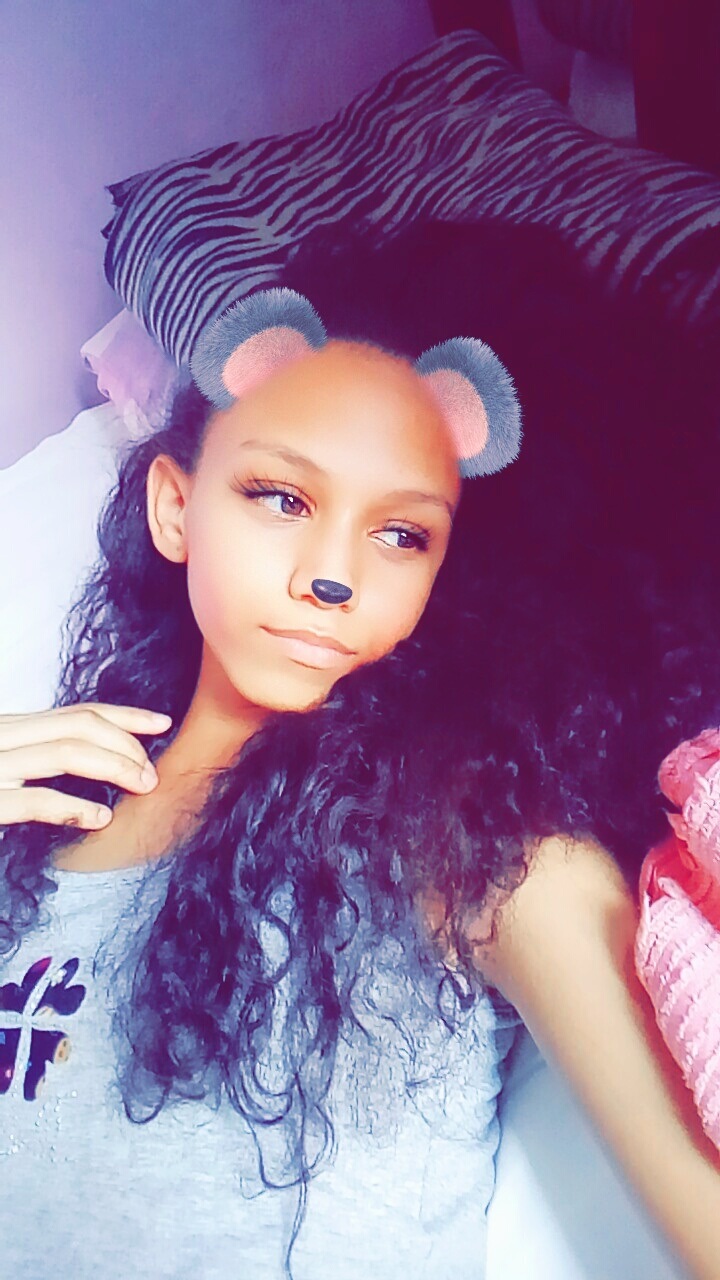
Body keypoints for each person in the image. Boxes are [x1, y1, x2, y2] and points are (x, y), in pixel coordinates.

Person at [0, 221, 718, 1280]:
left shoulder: (467, 844)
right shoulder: (45, 808)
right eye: (282, 497)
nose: (331, 575)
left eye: (401, 533)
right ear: (174, 507)